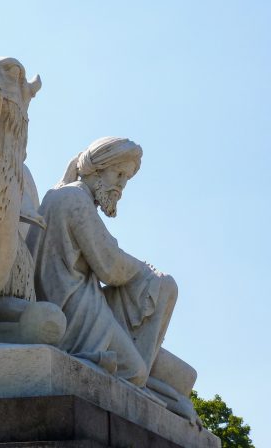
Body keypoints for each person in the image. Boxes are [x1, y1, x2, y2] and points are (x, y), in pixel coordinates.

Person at [33, 137, 177, 386]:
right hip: (74, 310)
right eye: (118, 174)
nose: (121, 186)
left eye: (126, 179)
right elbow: (110, 267)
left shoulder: (62, 194)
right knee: (134, 372)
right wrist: (147, 271)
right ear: (97, 169)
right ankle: (92, 364)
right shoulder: (75, 198)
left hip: (74, 301)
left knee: (151, 372)